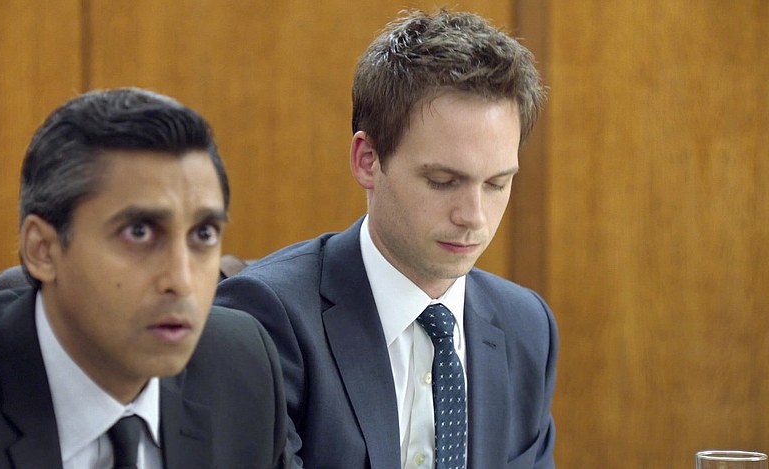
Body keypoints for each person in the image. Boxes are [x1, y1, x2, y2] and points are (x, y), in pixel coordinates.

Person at [214, 9, 558, 469]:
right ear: (368, 160)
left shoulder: (527, 327)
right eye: (442, 181)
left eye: (497, 184)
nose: (474, 217)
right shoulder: (263, 320)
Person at [0, 88, 289, 468]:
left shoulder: (240, 366)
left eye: (203, 234)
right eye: (139, 232)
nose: (182, 281)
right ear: (43, 250)